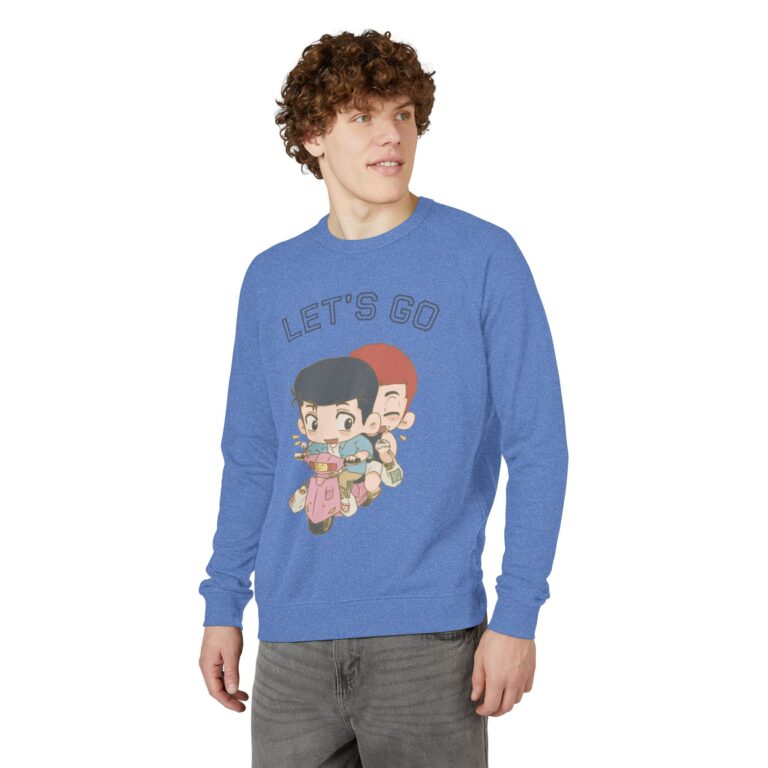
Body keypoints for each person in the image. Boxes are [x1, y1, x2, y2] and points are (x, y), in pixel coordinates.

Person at [198, 29, 569, 768]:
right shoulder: (271, 278)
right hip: (292, 647)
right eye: (362, 116)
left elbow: (538, 444)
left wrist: (518, 614)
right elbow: (254, 455)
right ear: (313, 136)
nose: (391, 135)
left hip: (430, 643)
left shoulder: (482, 256)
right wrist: (223, 603)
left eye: (402, 114)